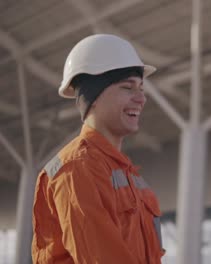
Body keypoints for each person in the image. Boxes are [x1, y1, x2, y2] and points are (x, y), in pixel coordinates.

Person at [31, 34, 164, 263]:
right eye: (127, 87)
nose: (141, 98)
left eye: (141, 88)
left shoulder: (125, 174)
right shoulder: (76, 169)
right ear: (93, 97)